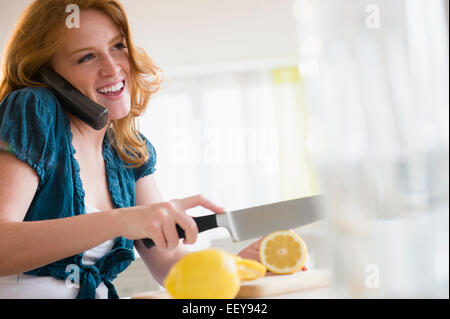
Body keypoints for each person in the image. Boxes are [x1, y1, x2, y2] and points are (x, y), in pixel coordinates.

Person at [0, 0, 260, 299]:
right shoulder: (33, 111)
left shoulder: (127, 150)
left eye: (118, 47)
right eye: (86, 57)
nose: (113, 68)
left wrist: (239, 266)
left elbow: (169, 266)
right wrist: (125, 219)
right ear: (49, 76)